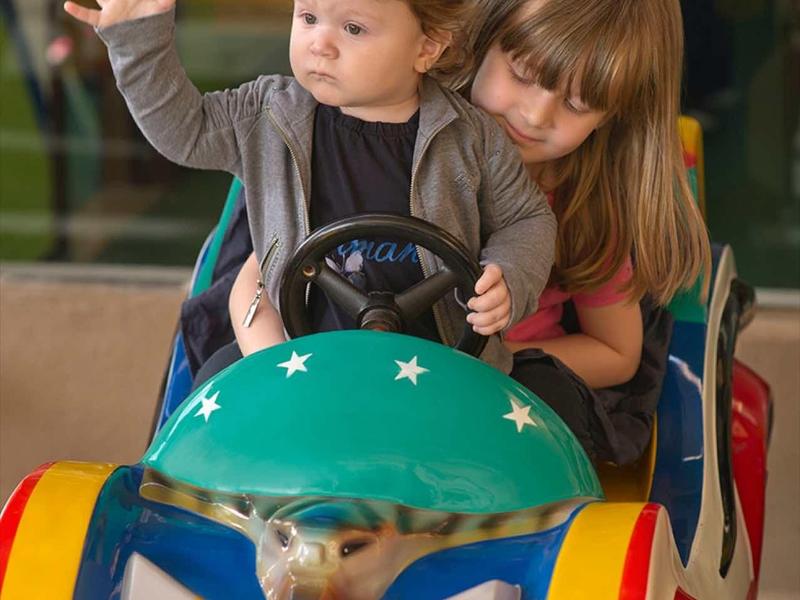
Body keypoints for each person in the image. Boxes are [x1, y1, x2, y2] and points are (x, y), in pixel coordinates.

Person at [63, 0, 556, 377]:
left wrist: (511, 276)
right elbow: (184, 132)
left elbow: (527, 219)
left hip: (442, 370)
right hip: (299, 361)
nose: (320, 43)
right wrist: (139, 40)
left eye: (353, 28)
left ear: (427, 47)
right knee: (215, 388)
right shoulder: (266, 114)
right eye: (309, 17)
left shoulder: (471, 137)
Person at [461, 0, 711, 464]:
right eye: (521, 74)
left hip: (507, 415)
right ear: (482, 38)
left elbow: (616, 352)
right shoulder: (394, 148)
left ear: (611, 116)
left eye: (577, 105)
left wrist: (494, 358)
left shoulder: (585, 207)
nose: (536, 116)